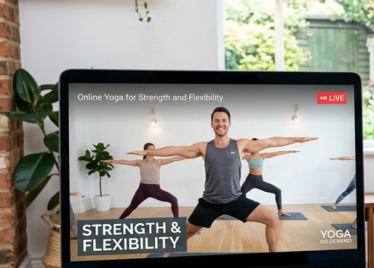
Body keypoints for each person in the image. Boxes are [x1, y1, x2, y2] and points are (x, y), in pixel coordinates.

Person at [128, 107, 317, 252]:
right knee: (188, 232)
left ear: (229, 123)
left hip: (236, 200)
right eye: (216, 120)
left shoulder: (241, 145)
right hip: (210, 203)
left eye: (224, 120)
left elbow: (271, 141)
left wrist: (297, 139)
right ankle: (165, 254)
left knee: (272, 219)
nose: (220, 123)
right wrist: (148, 152)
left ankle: (274, 260)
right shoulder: (203, 147)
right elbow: (174, 149)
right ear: (211, 124)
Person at [103, 144, 190, 219]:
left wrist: (189, 156)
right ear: (145, 150)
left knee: (174, 200)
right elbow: (125, 162)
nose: (152, 150)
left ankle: (177, 221)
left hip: (155, 190)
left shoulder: (158, 162)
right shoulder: (140, 162)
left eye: (153, 149)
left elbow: (173, 159)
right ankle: (119, 221)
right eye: (150, 149)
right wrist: (110, 161)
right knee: (131, 207)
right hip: (142, 190)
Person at [241, 142, 299, 217]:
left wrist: (289, 151)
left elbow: (277, 153)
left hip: (259, 181)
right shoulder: (247, 156)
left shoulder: (263, 155)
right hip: (250, 180)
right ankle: (226, 211)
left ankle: (280, 211)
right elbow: (236, 157)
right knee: (237, 196)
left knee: (278, 191)